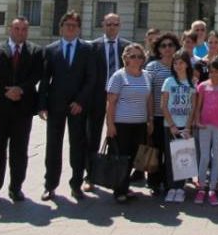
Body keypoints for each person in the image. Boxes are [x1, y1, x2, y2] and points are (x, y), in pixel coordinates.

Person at [39, 11, 97, 201]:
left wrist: (80, 101)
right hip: (56, 104)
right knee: (53, 146)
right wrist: (42, 105)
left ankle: (76, 184)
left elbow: (91, 78)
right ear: (61, 27)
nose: (71, 28)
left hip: (78, 106)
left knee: (77, 146)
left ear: (79, 28)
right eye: (67, 25)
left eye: (74, 25)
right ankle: (50, 185)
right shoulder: (51, 49)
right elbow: (45, 79)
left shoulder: (87, 50)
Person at [0, 17, 41, 204]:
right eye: (17, 28)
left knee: (19, 151)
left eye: (24, 29)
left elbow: (36, 75)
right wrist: (6, 91)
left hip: (22, 110)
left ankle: (16, 188)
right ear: (10, 29)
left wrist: (20, 89)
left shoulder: (35, 51)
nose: (20, 32)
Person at [85, 13, 130, 192]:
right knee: (92, 138)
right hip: (97, 98)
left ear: (120, 25)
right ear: (103, 25)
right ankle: (90, 176)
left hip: (120, 99)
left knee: (117, 138)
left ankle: (115, 176)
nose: (112, 27)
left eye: (115, 24)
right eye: (108, 24)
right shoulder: (92, 47)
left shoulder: (127, 47)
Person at [105, 43, 153, 204]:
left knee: (134, 158)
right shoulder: (119, 76)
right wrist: (110, 125)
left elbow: (149, 100)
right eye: (133, 56)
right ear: (125, 58)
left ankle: (125, 186)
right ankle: (119, 190)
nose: (137, 59)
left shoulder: (146, 75)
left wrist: (150, 120)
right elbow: (111, 102)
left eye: (140, 56)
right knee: (121, 158)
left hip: (139, 124)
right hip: (122, 124)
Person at [194, 56, 218, 207]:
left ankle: (212, 188)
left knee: (216, 157)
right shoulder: (203, 86)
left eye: (216, 71)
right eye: (211, 71)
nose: (213, 74)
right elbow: (198, 106)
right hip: (204, 125)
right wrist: (197, 120)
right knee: (204, 157)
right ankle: (202, 187)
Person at [161, 50, 196, 202]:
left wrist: (187, 127)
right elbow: (164, 105)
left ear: (187, 64)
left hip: (185, 126)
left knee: (183, 157)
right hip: (170, 126)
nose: (178, 66)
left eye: (181, 62)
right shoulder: (169, 81)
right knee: (170, 158)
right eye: (175, 63)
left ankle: (180, 188)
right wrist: (172, 125)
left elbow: (193, 106)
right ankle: (171, 187)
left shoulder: (192, 82)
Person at [145, 33, 178, 193]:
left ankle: (169, 181)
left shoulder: (180, 66)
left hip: (176, 118)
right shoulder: (152, 67)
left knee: (172, 151)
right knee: (156, 151)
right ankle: (154, 182)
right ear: (158, 49)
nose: (167, 49)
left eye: (170, 45)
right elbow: (149, 93)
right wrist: (149, 117)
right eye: (163, 46)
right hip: (158, 116)